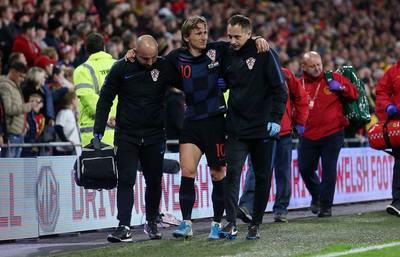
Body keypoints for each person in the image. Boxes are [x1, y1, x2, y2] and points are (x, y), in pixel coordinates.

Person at [125, 15, 269, 240]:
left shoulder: (217, 50)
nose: (204, 37)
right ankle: (186, 223)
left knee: (217, 173)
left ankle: (215, 223)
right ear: (186, 37)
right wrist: (132, 55)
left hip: (215, 121)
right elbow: (152, 61)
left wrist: (258, 38)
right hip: (191, 120)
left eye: (205, 32)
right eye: (198, 33)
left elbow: (241, 43)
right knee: (188, 171)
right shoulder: (176, 58)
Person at [94, 35, 180, 242]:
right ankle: (123, 226)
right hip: (126, 134)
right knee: (125, 180)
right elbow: (105, 97)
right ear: (134, 52)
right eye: (145, 58)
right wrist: (98, 131)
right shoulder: (121, 68)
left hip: (155, 134)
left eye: (153, 57)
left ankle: (151, 222)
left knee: (154, 181)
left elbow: (186, 78)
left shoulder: (164, 66)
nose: (150, 62)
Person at [218, 15, 287, 240]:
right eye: (229, 35)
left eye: (237, 36)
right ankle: (230, 222)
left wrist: (276, 119)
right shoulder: (227, 53)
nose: (232, 40)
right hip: (236, 127)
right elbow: (230, 79)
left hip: (261, 128)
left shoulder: (264, 52)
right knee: (233, 174)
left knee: (262, 177)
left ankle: (255, 223)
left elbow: (279, 89)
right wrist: (224, 82)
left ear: (249, 34)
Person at [237, 67, 309, 223]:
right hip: (259, 132)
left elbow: (302, 98)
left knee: (280, 172)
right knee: (257, 170)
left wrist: (300, 121)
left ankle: (280, 208)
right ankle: (247, 207)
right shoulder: (251, 72)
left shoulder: (286, 74)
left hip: (282, 132)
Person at [297, 51, 359, 218]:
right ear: (303, 67)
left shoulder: (333, 78)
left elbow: (355, 93)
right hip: (308, 134)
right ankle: (317, 195)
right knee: (304, 168)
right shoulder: (298, 84)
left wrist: (342, 88)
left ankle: (325, 206)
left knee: (329, 170)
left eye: (319, 64)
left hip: (333, 133)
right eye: (313, 66)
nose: (317, 68)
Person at [73, 32, 117, 147]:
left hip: (95, 137)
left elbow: (88, 97)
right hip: (122, 132)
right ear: (104, 48)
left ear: (86, 51)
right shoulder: (118, 65)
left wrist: (105, 118)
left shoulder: (82, 70)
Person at [375, 58, 400, 216]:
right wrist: (387, 105)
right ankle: (397, 201)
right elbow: (382, 91)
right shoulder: (393, 71)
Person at [0, 62, 35, 158]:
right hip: (11, 133)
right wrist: (28, 107)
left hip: (19, 133)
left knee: (15, 168)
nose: (22, 79)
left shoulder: (15, 86)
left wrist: (24, 123)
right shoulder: (5, 86)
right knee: (8, 168)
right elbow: (8, 109)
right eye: (20, 76)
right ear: (13, 72)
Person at [54, 91, 81, 156]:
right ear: (72, 100)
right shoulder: (63, 112)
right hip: (62, 149)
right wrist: (66, 142)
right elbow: (58, 128)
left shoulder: (71, 112)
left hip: (70, 147)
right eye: (76, 99)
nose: (77, 102)